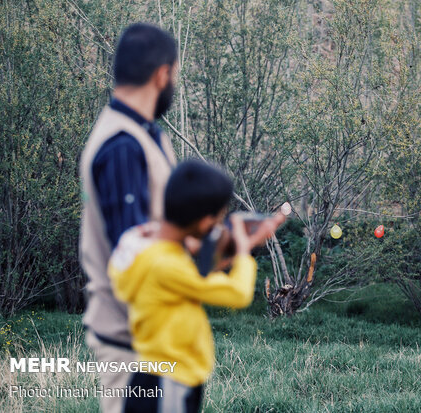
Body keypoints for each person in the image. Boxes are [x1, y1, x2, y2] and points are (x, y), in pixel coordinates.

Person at [107, 161, 285, 412]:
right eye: (218, 218)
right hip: (169, 382)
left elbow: (193, 273)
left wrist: (233, 249)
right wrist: (245, 252)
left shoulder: (141, 241)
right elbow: (237, 294)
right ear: (204, 222)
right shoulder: (166, 266)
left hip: (155, 374)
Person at [79, 23, 179, 413]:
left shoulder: (144, 134)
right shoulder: (122, 145)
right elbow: (133, 256)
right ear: (161, 74)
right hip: (132, 345)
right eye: (175, 74)